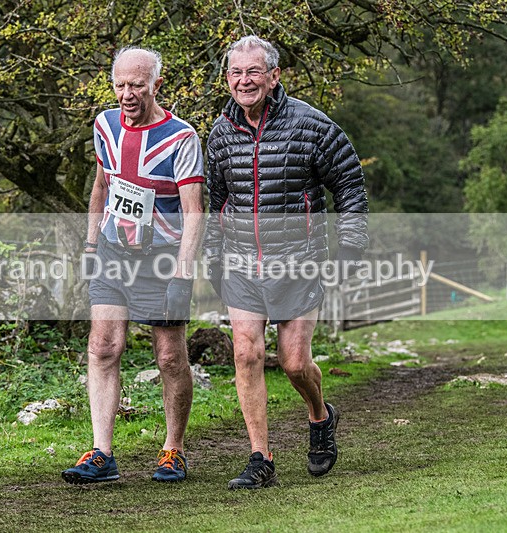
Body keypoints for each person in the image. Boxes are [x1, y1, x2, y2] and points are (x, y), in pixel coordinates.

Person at [204, 35, 368, 489]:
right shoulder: (219, 134)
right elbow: (217, 202)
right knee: (246, 352)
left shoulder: (312, 126)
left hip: (299, 262)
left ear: (274, 76)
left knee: (294, 364)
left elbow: (350, 185)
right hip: (241, 265)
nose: (244, 80)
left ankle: (320, 417)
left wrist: (350, 246)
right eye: (236, 73)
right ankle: (261, 459)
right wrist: (213, 259)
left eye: (254, 71)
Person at [62, 46, 205, 484]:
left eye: (137, 86)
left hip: (162, 260)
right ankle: (102, 453)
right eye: (120, 85)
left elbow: (194, 211)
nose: (127, 94)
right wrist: (90, 245)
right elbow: (102, 185)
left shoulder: (181, 138)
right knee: (103, 346)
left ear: (156, 86)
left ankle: (173, 450)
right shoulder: (104, 125)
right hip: (111, 252)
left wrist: (183, 272)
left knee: (168, 358)